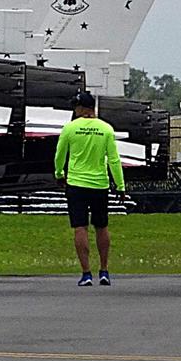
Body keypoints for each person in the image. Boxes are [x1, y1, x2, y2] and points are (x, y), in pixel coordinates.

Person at [54, 91, 125, 287]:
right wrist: (120, 185)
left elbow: (60, 155)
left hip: (76, 183)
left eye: (75, 107)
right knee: (101, 226)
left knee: (80, 227)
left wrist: (59, 174)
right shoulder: (106, 129)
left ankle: (86, 273)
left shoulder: (70, 129)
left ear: (81, 108)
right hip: (99, 184)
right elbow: (114, 159)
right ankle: (104, 270)